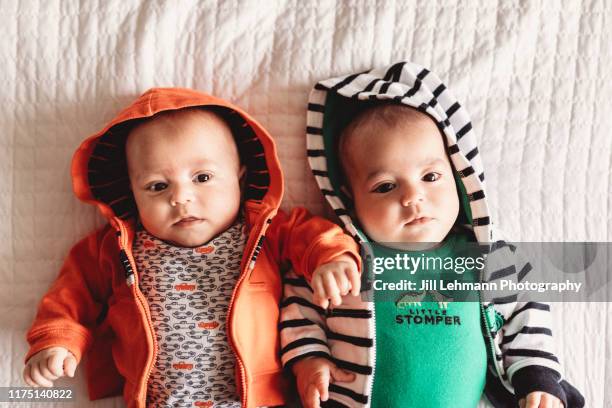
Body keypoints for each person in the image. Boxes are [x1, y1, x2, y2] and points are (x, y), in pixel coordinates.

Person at [23, 88, 360, 408]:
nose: (180, 197)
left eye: (202, 178)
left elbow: (314, 236)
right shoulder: (115, 248)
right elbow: (71, 295)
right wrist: (57, 339)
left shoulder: (264, 231)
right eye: (157, 186)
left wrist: (330, 258)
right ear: (131, 193)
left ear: (240, 178)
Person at [280, 62, 584, 408]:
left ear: (458, 175)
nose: (412, 197)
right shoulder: (342, 256)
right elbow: (300, 309)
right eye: (385, 186)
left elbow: (527, 313)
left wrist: (538, 379)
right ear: (348, 195)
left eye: (430, 177)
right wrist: (307, 360)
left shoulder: (484, 254)